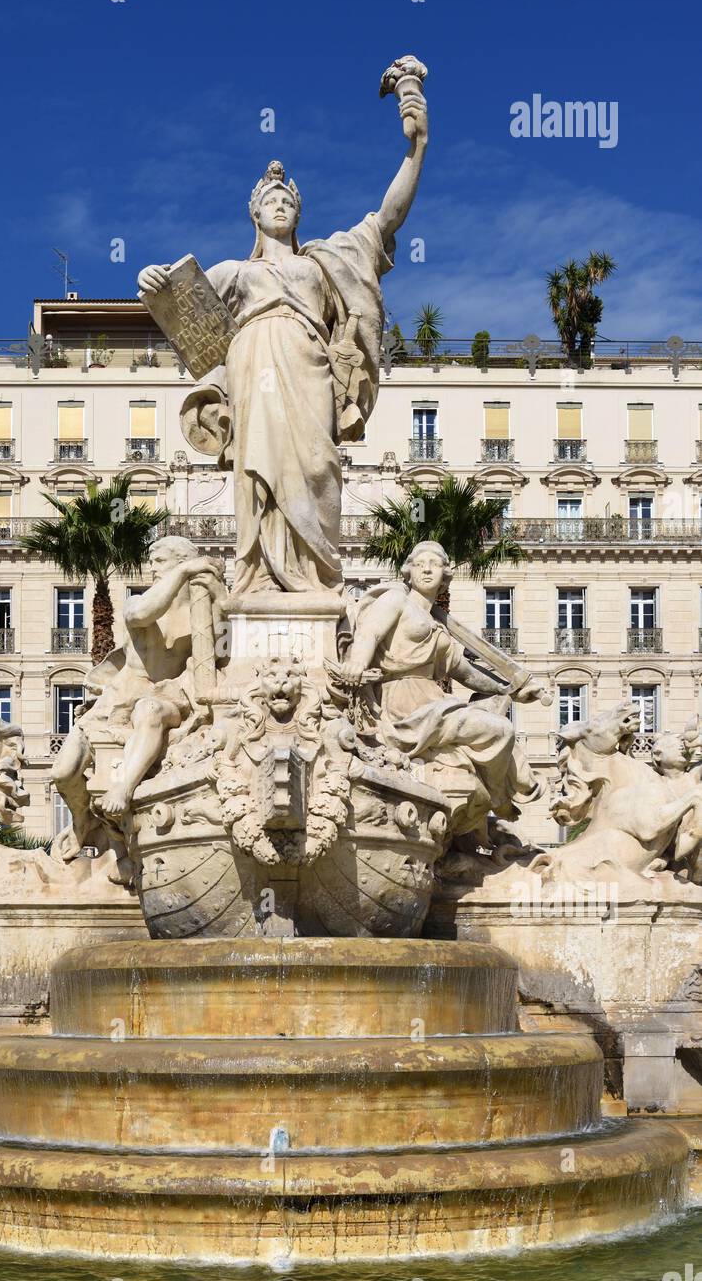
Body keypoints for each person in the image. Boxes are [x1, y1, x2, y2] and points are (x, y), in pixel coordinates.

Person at [137, 86, 428, 596]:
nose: (278, 206)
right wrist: (151, 278)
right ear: (254, 213)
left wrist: (417, 146)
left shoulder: (324, 260)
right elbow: (181, 299)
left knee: (318, 463)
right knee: (256, 473)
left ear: (298, 213)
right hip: (252, 362)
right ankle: (261, 576)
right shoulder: (235, 271)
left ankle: (316, 578)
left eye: (286, 200)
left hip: (307, 361)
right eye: (269, 200)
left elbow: (387, 219)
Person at [335, 541, 542, 838]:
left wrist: (509, 688)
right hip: (403, 702)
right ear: (409, 571)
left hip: (433, 700)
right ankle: (504, 795)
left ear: (445, 574)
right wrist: (356, 662)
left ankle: (500, 794)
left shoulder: (439, 625)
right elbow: (369, 631)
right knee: (500, 730)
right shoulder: (396, 600)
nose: (427, 569)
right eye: (420, 564)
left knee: (499, 729)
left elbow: (464, 671)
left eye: (434, 563)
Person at [51, 537, 226, 858]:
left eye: (159, 561)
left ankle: (123, 790)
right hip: (114, 705)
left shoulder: (200, 613)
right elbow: (142, 613)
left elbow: (226, 644)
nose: (152, 568)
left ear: (177, 561)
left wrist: (218, 595)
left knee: (149, 710)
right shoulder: (140, 603)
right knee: (62, 772)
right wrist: (185, 570)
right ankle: (81, 824)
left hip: (164, 701)